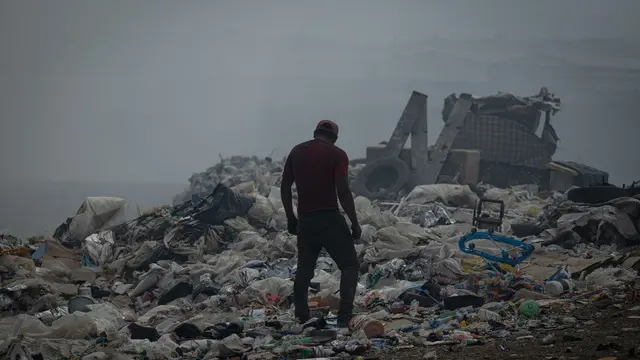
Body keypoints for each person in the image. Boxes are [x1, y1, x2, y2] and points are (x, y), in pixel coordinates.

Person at [280, 120, 361, 327]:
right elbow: (342, 191)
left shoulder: (297, 151)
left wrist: (291, 217)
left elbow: (285, 187)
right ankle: (344, 316)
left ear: (316, 132)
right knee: (349, 266)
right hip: (330, 218)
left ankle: (301, 315)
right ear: (333, 137)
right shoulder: (337, 154)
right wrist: (354, 222)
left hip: (306, 221)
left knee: (305, 269)